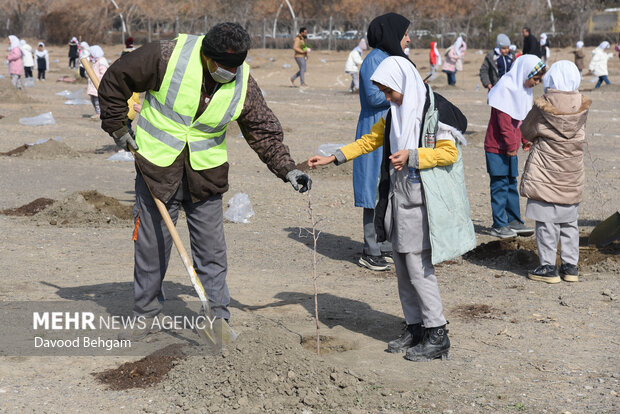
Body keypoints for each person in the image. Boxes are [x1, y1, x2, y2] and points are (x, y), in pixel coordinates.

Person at [97, 23, 312, 340]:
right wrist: (117, 125)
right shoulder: (166, 56)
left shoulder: (242, 83)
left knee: (212, 254)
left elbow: (262, 129)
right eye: (220, 66)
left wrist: (286, 168)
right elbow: (115, 79)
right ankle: (145, 315)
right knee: (151, 249)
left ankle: (216, 319)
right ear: (206, 56)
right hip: (156, 169)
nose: (227, 72)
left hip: (205, 177)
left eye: (233, 67)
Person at [308, 56, 474, 362]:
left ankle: (438, 333)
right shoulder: (395, 114)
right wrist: (334, 157)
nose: (387, 98)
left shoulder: (432, 113)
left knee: (418, 268)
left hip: (422, 201)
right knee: (401, 266)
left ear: (403, 85)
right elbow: (370, 140)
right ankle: (416, 328)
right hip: (398, 198)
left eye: (389, 91)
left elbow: (449, 153)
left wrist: (413, 156)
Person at [520, 61, 590, 283]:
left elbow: (527, 130)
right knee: (569, 221)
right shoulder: (582, 107)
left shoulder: (542, 107)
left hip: (546, 173)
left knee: (546, 221)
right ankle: (570, 267)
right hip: (571, 172)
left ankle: (548, 267)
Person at [352, 12, 411, 271]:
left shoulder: (391, 58)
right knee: (372, 189)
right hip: (373, 130)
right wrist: (401, 92)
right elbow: (373, 98)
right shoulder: (374, 60)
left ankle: (383, 241)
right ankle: (370, 248)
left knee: (387, 186)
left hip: (391, 129)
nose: (408, 39)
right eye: (405, 34)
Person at [484, 55, 546, 238]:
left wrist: (525, 139)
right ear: (525, 73)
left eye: (539, 80)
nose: (537, 83)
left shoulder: (522, 91)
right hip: (497, 148)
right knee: (499, 184)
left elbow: (521, 120)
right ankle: (499, 223)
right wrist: (512, 144)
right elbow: (504, 124)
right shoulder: (505, 88)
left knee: (511, 183)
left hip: (510, 148)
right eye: (535, 79)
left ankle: (514, 220)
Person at [87, 45, 109, 119]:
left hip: (98, 85)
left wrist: (99, 81)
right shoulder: (96, 61)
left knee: (97, 101)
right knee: (93, 100)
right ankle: (98, 112)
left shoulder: (102, 62)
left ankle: (99, 113)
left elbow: (103, 74)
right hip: (93, 85)